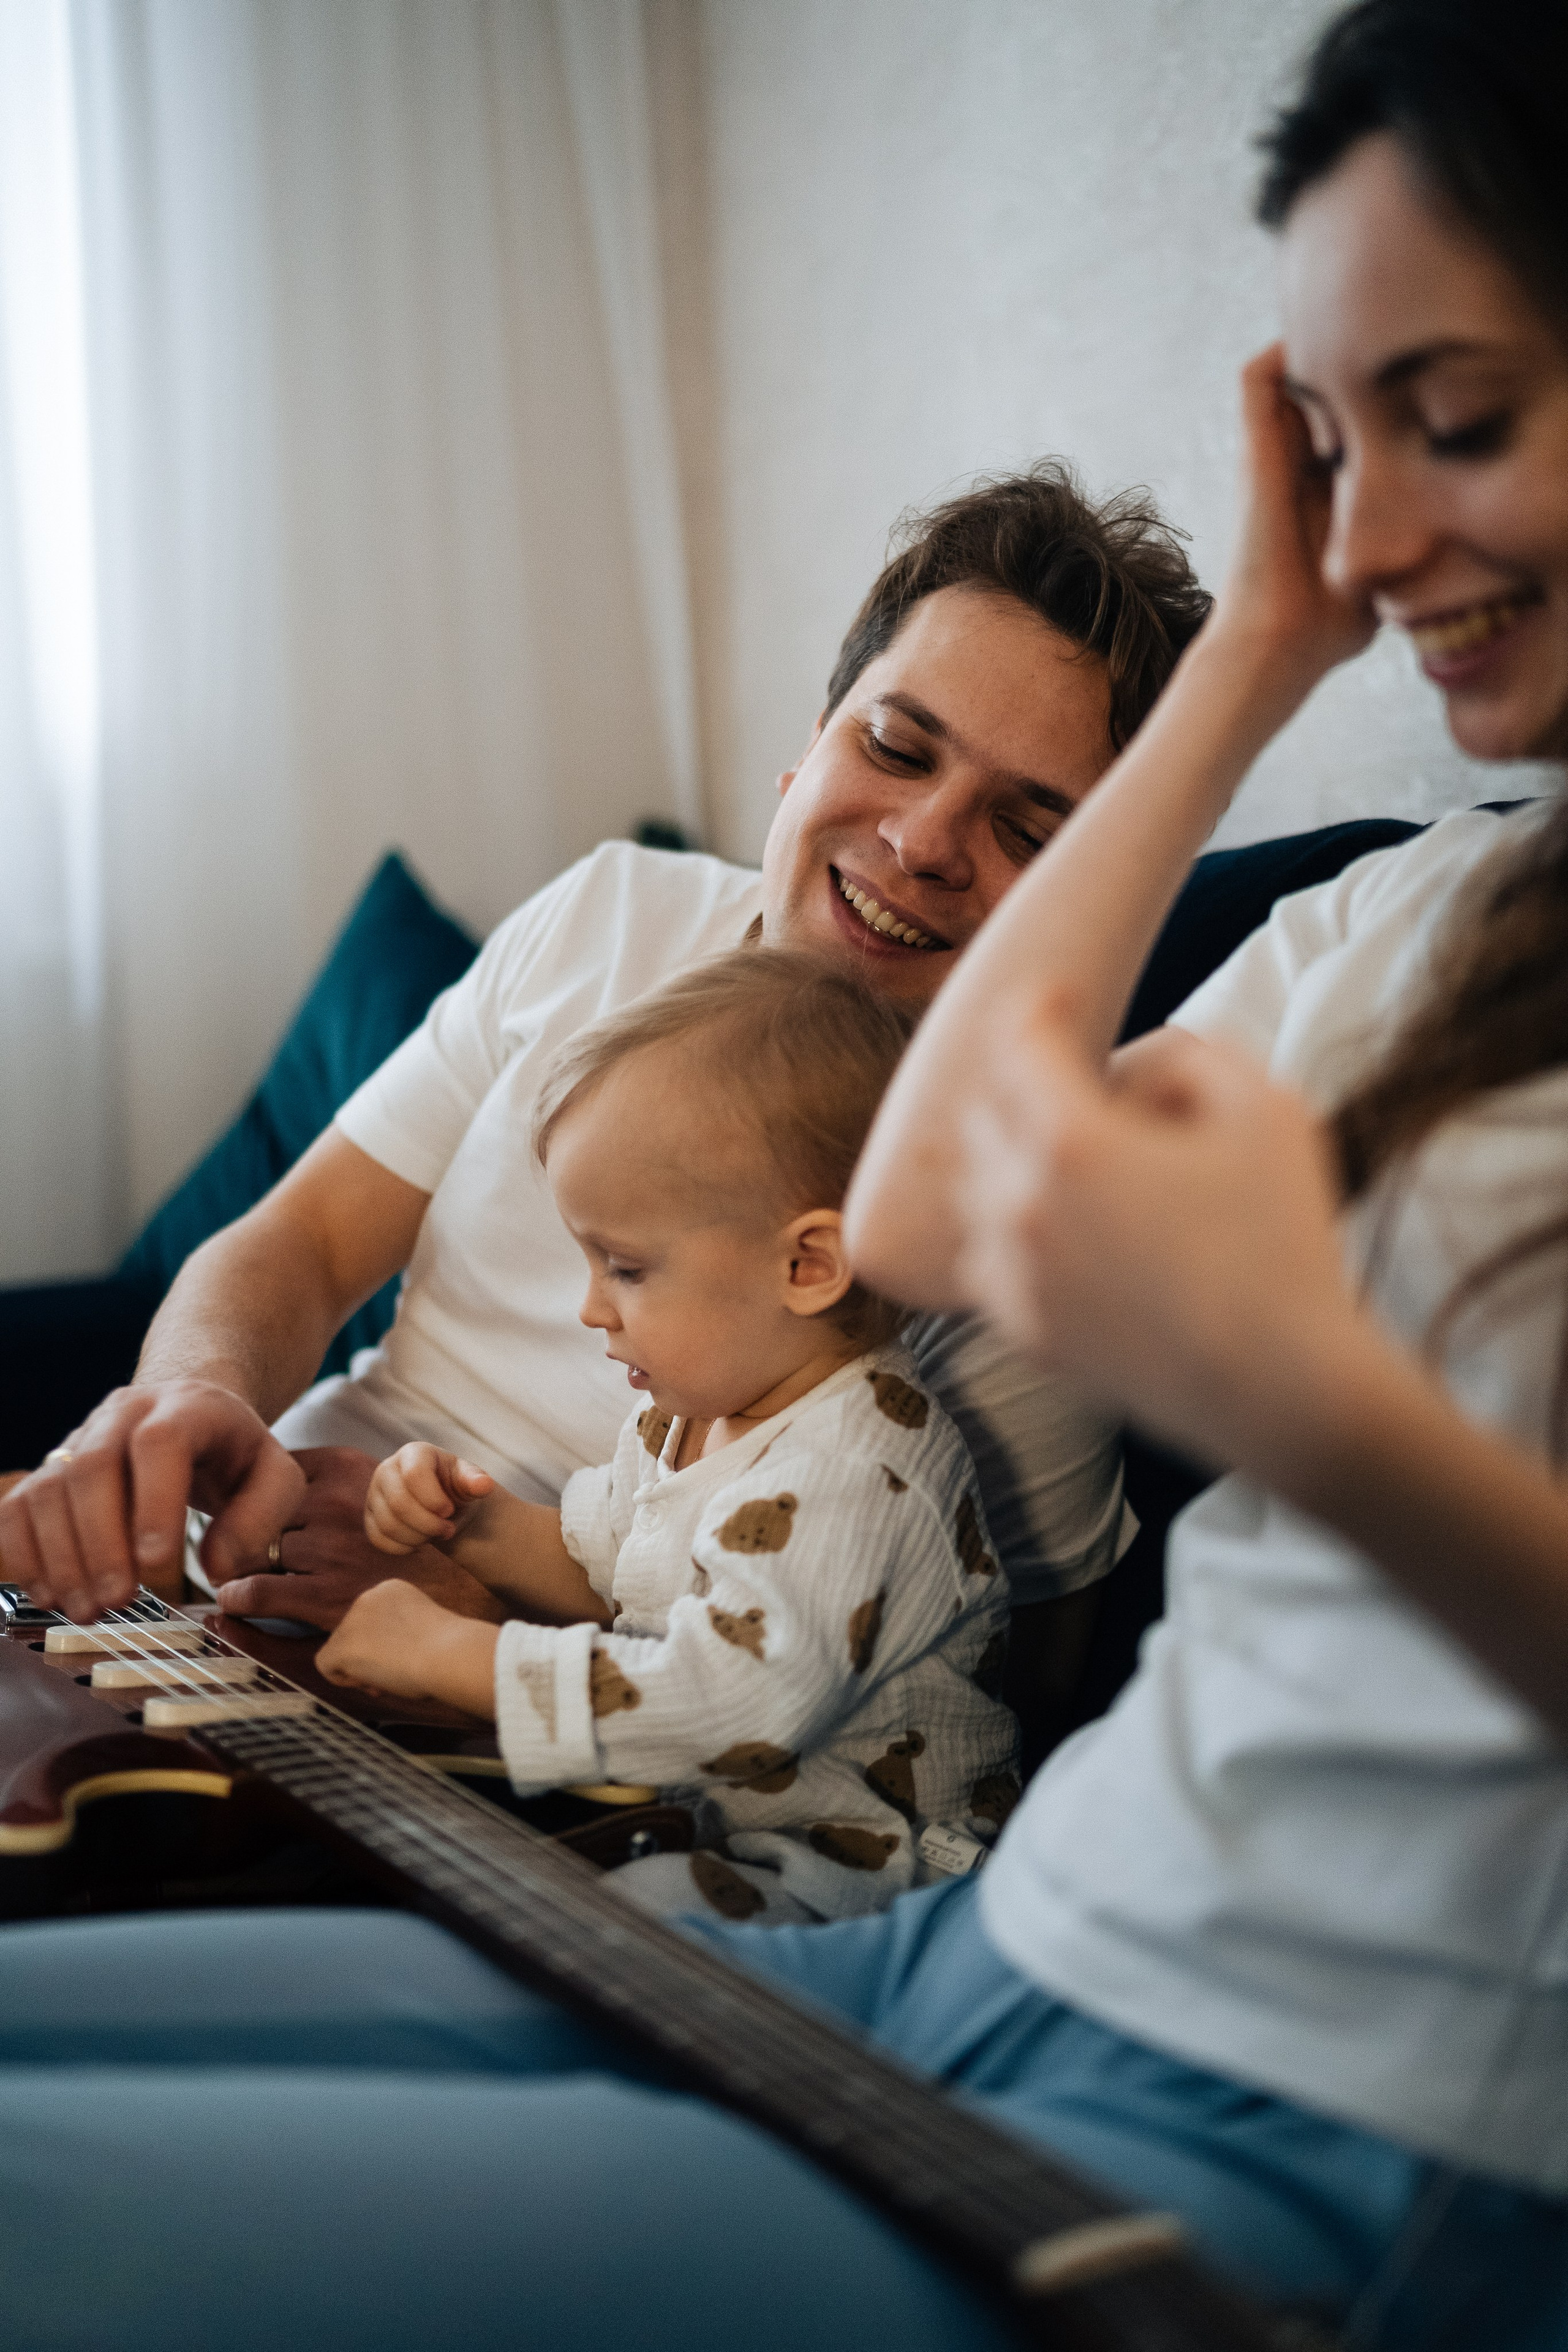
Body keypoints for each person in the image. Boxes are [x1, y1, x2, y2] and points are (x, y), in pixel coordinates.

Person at [9, 6, 1566, 2350]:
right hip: (990, 1948)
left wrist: (1290, 1392)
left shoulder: (984, 1304)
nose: (1368, 538)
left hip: (1261, 2072)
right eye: (1344, 448)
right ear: (807, 730)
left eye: (1456, 418)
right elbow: (892, 1195)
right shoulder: (1407, 912)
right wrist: (1267, 628)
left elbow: (890, 1385)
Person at [0, 469, 1209, 1658]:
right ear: (809, 748)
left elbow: (996, 1689)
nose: (924, 840)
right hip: (215, 1573)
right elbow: (306, 1240)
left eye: (1024, 830)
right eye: (896, 748)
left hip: (521, 1731)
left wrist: (485, 1623)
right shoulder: (611, 909)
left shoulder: (1038, 1221)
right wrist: (198, 1392)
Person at [316, 949, 1017, 1923]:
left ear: (809, 1266)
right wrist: (469, 1525)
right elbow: (610, 1572)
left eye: (627, 1268)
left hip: (868, 1878)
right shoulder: (693, 1412)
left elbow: (731, 1705)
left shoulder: (863, 1471)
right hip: (707, 1831)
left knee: (579, 1912)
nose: (590, 1308)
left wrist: (454, 1657)